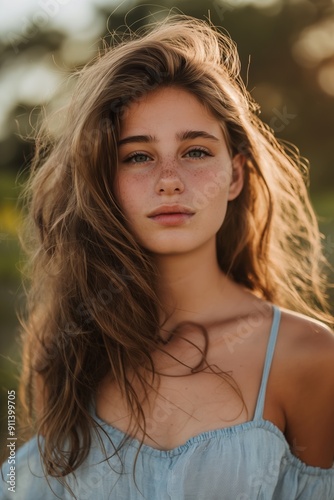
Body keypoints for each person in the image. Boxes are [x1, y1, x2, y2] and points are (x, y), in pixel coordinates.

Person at [1, 14, 334, 500]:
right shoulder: (71, 352)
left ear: (236, 176)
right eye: (137, 156)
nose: (169, 179)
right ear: (105, 182)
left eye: (196, 152)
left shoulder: (307, 358)